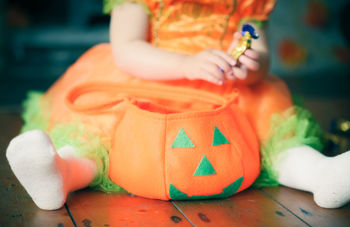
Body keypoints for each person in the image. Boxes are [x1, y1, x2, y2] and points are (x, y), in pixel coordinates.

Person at [6, 0, 350, 210]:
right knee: (106, 132)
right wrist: (185, 65)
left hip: (228, 87)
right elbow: (126, 49)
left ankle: (318, 174)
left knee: (269, 131)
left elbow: (260, 51)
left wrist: (251, 67)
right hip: (151, 76)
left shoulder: (249, 2)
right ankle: (64, 171)